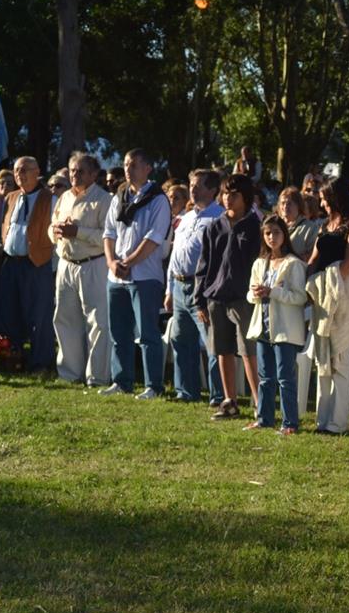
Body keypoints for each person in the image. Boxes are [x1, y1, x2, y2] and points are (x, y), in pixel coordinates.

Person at [101, 149, 172, 398]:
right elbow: (109, 232)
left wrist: (128, 262)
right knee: (119, 332)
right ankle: (121, 381)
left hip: (144, 275)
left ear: (147, 168)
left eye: (133, 165)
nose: (128, 169)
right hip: (116, 276)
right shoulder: (119, 196)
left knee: (147, 333)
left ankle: (153, 385)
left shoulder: (158, 199)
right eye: (126, 164)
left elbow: (153, 239)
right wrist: (111, 262)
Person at [306, 178, 349, 435]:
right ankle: (323, 419)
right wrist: (310, 283)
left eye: (324, 198)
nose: (321, 203)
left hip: (342, 297)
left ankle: (338, 422)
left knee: (342, 360)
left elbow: (348, 265)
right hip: (320, 297)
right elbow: (314, 258)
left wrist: (323, 284)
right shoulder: (325, 225)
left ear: (336, 198)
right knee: (323, 361)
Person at [194, 174, 262, 418]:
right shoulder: (215, 226)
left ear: (246, 198)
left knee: (248, 352)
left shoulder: (256, 227)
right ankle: (230, 401)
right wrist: (200, 298)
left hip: (244, 299)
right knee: (222, 350)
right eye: (225, 194)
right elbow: (204, 265)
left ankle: (259, 404)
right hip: (216, 297)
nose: (228, 199)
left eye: (234, 195)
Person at [48, 152, 112, 386]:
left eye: (80, 171)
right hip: (66, 264)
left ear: (94, 174)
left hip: (93, 265)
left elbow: (108, 236)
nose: (75, 175)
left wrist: (79, 232)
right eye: (72, 170)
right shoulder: (64, 197)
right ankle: (69, 373)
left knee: (97, 322)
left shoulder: (104, 199)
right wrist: (54, 232)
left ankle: (97, 376)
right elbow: (52, 226)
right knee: (64, 319)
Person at [245, 215, 308, 435]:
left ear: (284, 235)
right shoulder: (259, 263)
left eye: (277, 232)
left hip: (284, 330)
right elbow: (250, 296)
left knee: (285, 378)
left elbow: (300, 297)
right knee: (265, 377)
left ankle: (290, 422)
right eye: (268, 233)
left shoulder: (294, 264)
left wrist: (274, 292)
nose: (272, 237)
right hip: (263, 328)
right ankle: (265, 418)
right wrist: (256, 293)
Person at [167, 169, 225, 404]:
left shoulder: (219, 218)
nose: (192, 189)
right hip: (180, 285)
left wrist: (208, 291)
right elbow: (174, 255)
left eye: (198, 185)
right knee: (181, 340)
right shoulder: (186, 217)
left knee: (212, 343)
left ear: (212, 190)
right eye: (191, 184)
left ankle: (218, 395)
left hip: (202, 288)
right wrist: (169, 289)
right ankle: (186, 391)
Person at [0, 156, 56, 372]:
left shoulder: (50, 199)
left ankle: (41, 362)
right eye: (16, 171)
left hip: (36, 263)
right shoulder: (10, 197)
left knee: (38, 315)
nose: (19, 175)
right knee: (9, 313)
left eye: (24, 170)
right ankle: (11, 357)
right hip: (10, 263)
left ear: (37, 171)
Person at [276, 186, 321, 260]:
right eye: (283, 203)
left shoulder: (311, 228)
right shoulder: (275, 225)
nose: (285, 206)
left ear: (298, 205)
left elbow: (312, 256)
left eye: (289, 203)